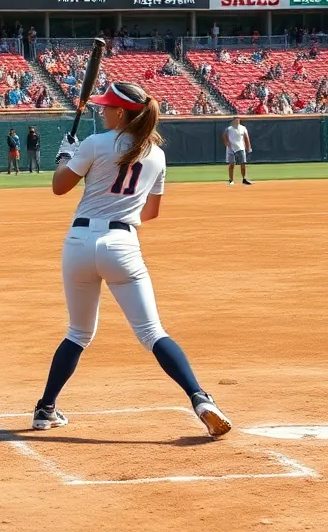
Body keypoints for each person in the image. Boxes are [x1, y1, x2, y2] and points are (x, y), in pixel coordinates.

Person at [36, 82, 231, 438]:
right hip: (122, 244)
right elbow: (151, 212)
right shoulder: (156, 154)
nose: (102, 111)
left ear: (121, 113)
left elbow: (59, 186)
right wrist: (120, 209)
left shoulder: (95, 143)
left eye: (107, 107)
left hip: (79, 243)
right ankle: (200, 398)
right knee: (152, 332)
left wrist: (65, 156)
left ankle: (45, 409)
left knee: (78, 333)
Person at [223, 116, 253, 185]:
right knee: (231, 164)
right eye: (235, 120)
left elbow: (246, 137)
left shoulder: (243, 128)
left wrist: (248, 147)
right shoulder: (229, 129)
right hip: (231, 149)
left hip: (241, 148)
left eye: (238, 120)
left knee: (243, 164)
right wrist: (226, 142)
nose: (237, 122)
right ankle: (231, 180)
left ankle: (244, 179)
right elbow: (224, 135)